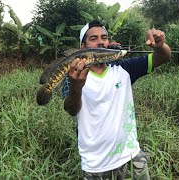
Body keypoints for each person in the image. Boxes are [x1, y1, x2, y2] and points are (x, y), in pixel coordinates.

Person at [63, 20, 171, 179]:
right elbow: (71, 110)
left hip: (132, 155)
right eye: (93, 38)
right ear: (83, 47)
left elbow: (162, 57)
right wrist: (76, 87)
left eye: (104, 37)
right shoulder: (73, 76)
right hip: (95, 164)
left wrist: (160, 46)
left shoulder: (123, 68)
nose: (101, 41)